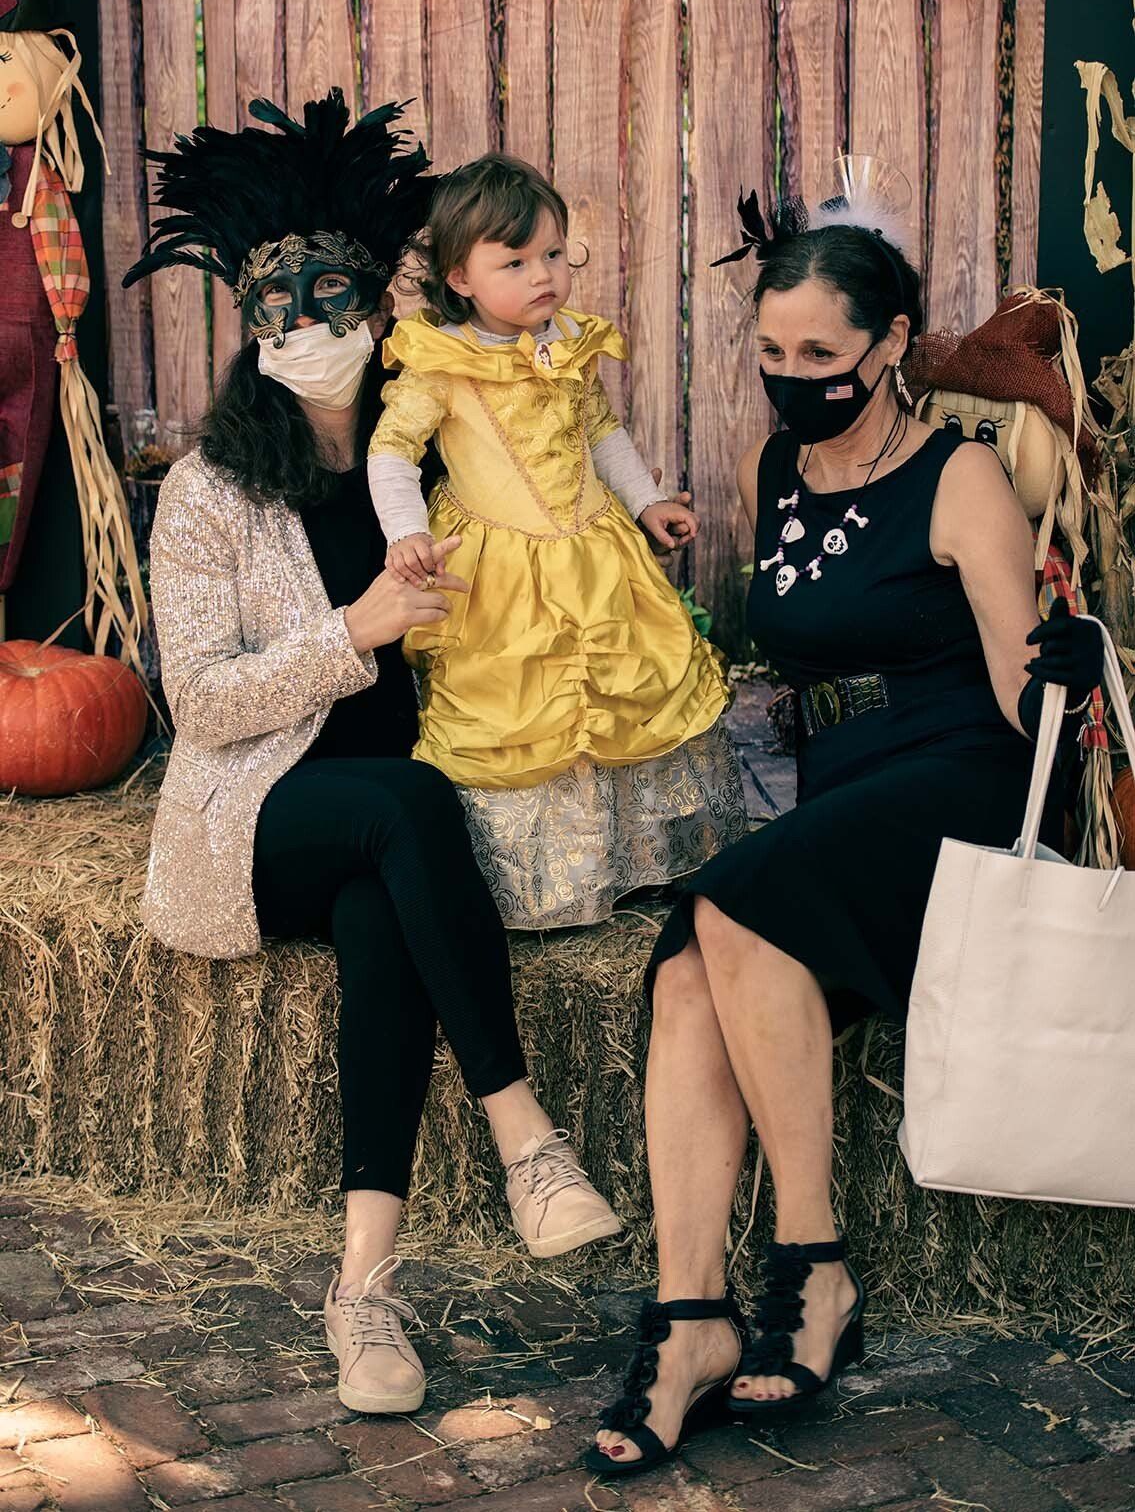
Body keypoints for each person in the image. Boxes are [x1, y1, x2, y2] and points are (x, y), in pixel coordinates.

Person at [585, 179, 1105, 1478]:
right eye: (771, 352)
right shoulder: (770, 470)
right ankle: (690, 1321)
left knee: (725, 904)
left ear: (888, 344)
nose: (792, 377)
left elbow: (1015, 687)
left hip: (954, 775)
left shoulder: (956, 475)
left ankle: (811, 1264)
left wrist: (1062, 670)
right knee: (692, 969)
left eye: (819, 353)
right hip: (837, 788)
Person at [126, 91, 619, 1419]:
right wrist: (358, 627)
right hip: (258, 811)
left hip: (401, 826)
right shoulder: (213, 490)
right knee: (401, 805)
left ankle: (364, 1289)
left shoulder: (434, 454)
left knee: (386, 914)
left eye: (335, 300)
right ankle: (523, 1135)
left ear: (381, 308)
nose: (312, 328)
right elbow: (201, 704)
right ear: (251, 323)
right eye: (282, 309)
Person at [367, 152, 746, 927]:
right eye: (513, 262)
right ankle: (549, 880)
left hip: (592, 550)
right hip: (500, 567)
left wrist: (645, 503)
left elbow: (600, 430)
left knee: (620, 692)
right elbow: (392, 451)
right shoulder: (442, 359)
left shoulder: (569, 341)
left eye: (550, 253)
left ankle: (632, 858)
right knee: (524, 705)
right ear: (461, 277)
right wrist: (405, 534)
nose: (541, 275)